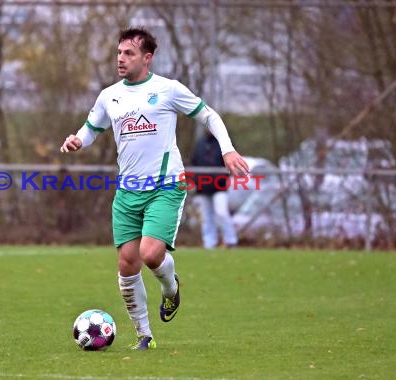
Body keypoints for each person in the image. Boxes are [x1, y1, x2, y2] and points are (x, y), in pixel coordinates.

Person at [60, 27, 249, 350]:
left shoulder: (168, 89)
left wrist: (227, 149)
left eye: (129, 53)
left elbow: (209, 115)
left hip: (165, 185)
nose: (121, 59)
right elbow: (92, 128)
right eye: (119, 53)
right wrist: (78, 140)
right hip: (127, 190)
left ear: (147, 58)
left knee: (150, 254)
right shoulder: (110, 95)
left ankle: (171, 289)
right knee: (127, 265)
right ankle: (144, 336)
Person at [191, 130, 239, 249]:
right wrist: (195, 180)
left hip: (219, 186)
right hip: (202, 186)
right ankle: (209, 243)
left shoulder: (224, 142)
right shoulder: (200, 143)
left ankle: (230, 240)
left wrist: (224, 176)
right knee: (206, 217)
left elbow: (230, 161)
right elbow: (194, 162)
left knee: (221, 212)